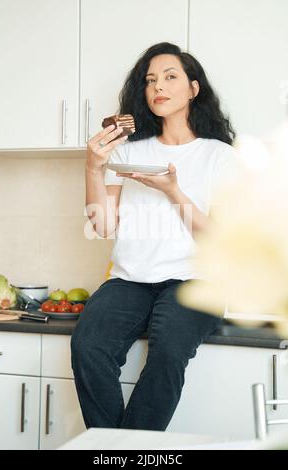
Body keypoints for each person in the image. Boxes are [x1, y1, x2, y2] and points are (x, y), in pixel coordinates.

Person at [71, 42, 238, 431]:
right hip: (130, 280)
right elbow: (104, 226)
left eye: (169, 77)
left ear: (194, 89)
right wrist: (94, 167)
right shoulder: (127, 152)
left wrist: (172, 191)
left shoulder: (220, 157)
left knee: (168, 352)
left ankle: (122, 450)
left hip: (197, 282)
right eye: (150, 80)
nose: (157, 87)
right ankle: (114, 447)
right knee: (87, 346)